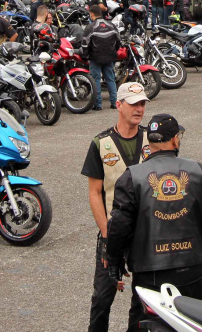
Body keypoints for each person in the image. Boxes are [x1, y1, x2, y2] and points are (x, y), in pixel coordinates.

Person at [105, 113, 202, 332]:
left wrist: (114, 259)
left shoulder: (132, 176)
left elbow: (119, 225)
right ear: (175, 139)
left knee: (144, 324)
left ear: (150, 142)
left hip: (149, 271)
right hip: (192, 267)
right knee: (197, 323)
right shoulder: (200, 172)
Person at [81, 82, 151, 332]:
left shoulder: (152, 140)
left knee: (144, 299)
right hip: (113, 232)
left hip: (147, 233)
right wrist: (107, 234)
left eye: (142, 103)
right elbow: (94, 193)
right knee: (102, 297)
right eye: (133, 104)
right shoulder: (101, 143)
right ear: (119, 105)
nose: (139, 109)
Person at [84, 5, 121, 111]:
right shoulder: (111, 25)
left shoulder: (91, 27)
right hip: (109, 56)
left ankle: (97, 104)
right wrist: (113, 51)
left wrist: (85, 55)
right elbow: (118, 41)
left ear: (91, 14)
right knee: (110, 79)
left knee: (96, 80)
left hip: (95, 57)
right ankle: (115, 102)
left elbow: (85, 43)